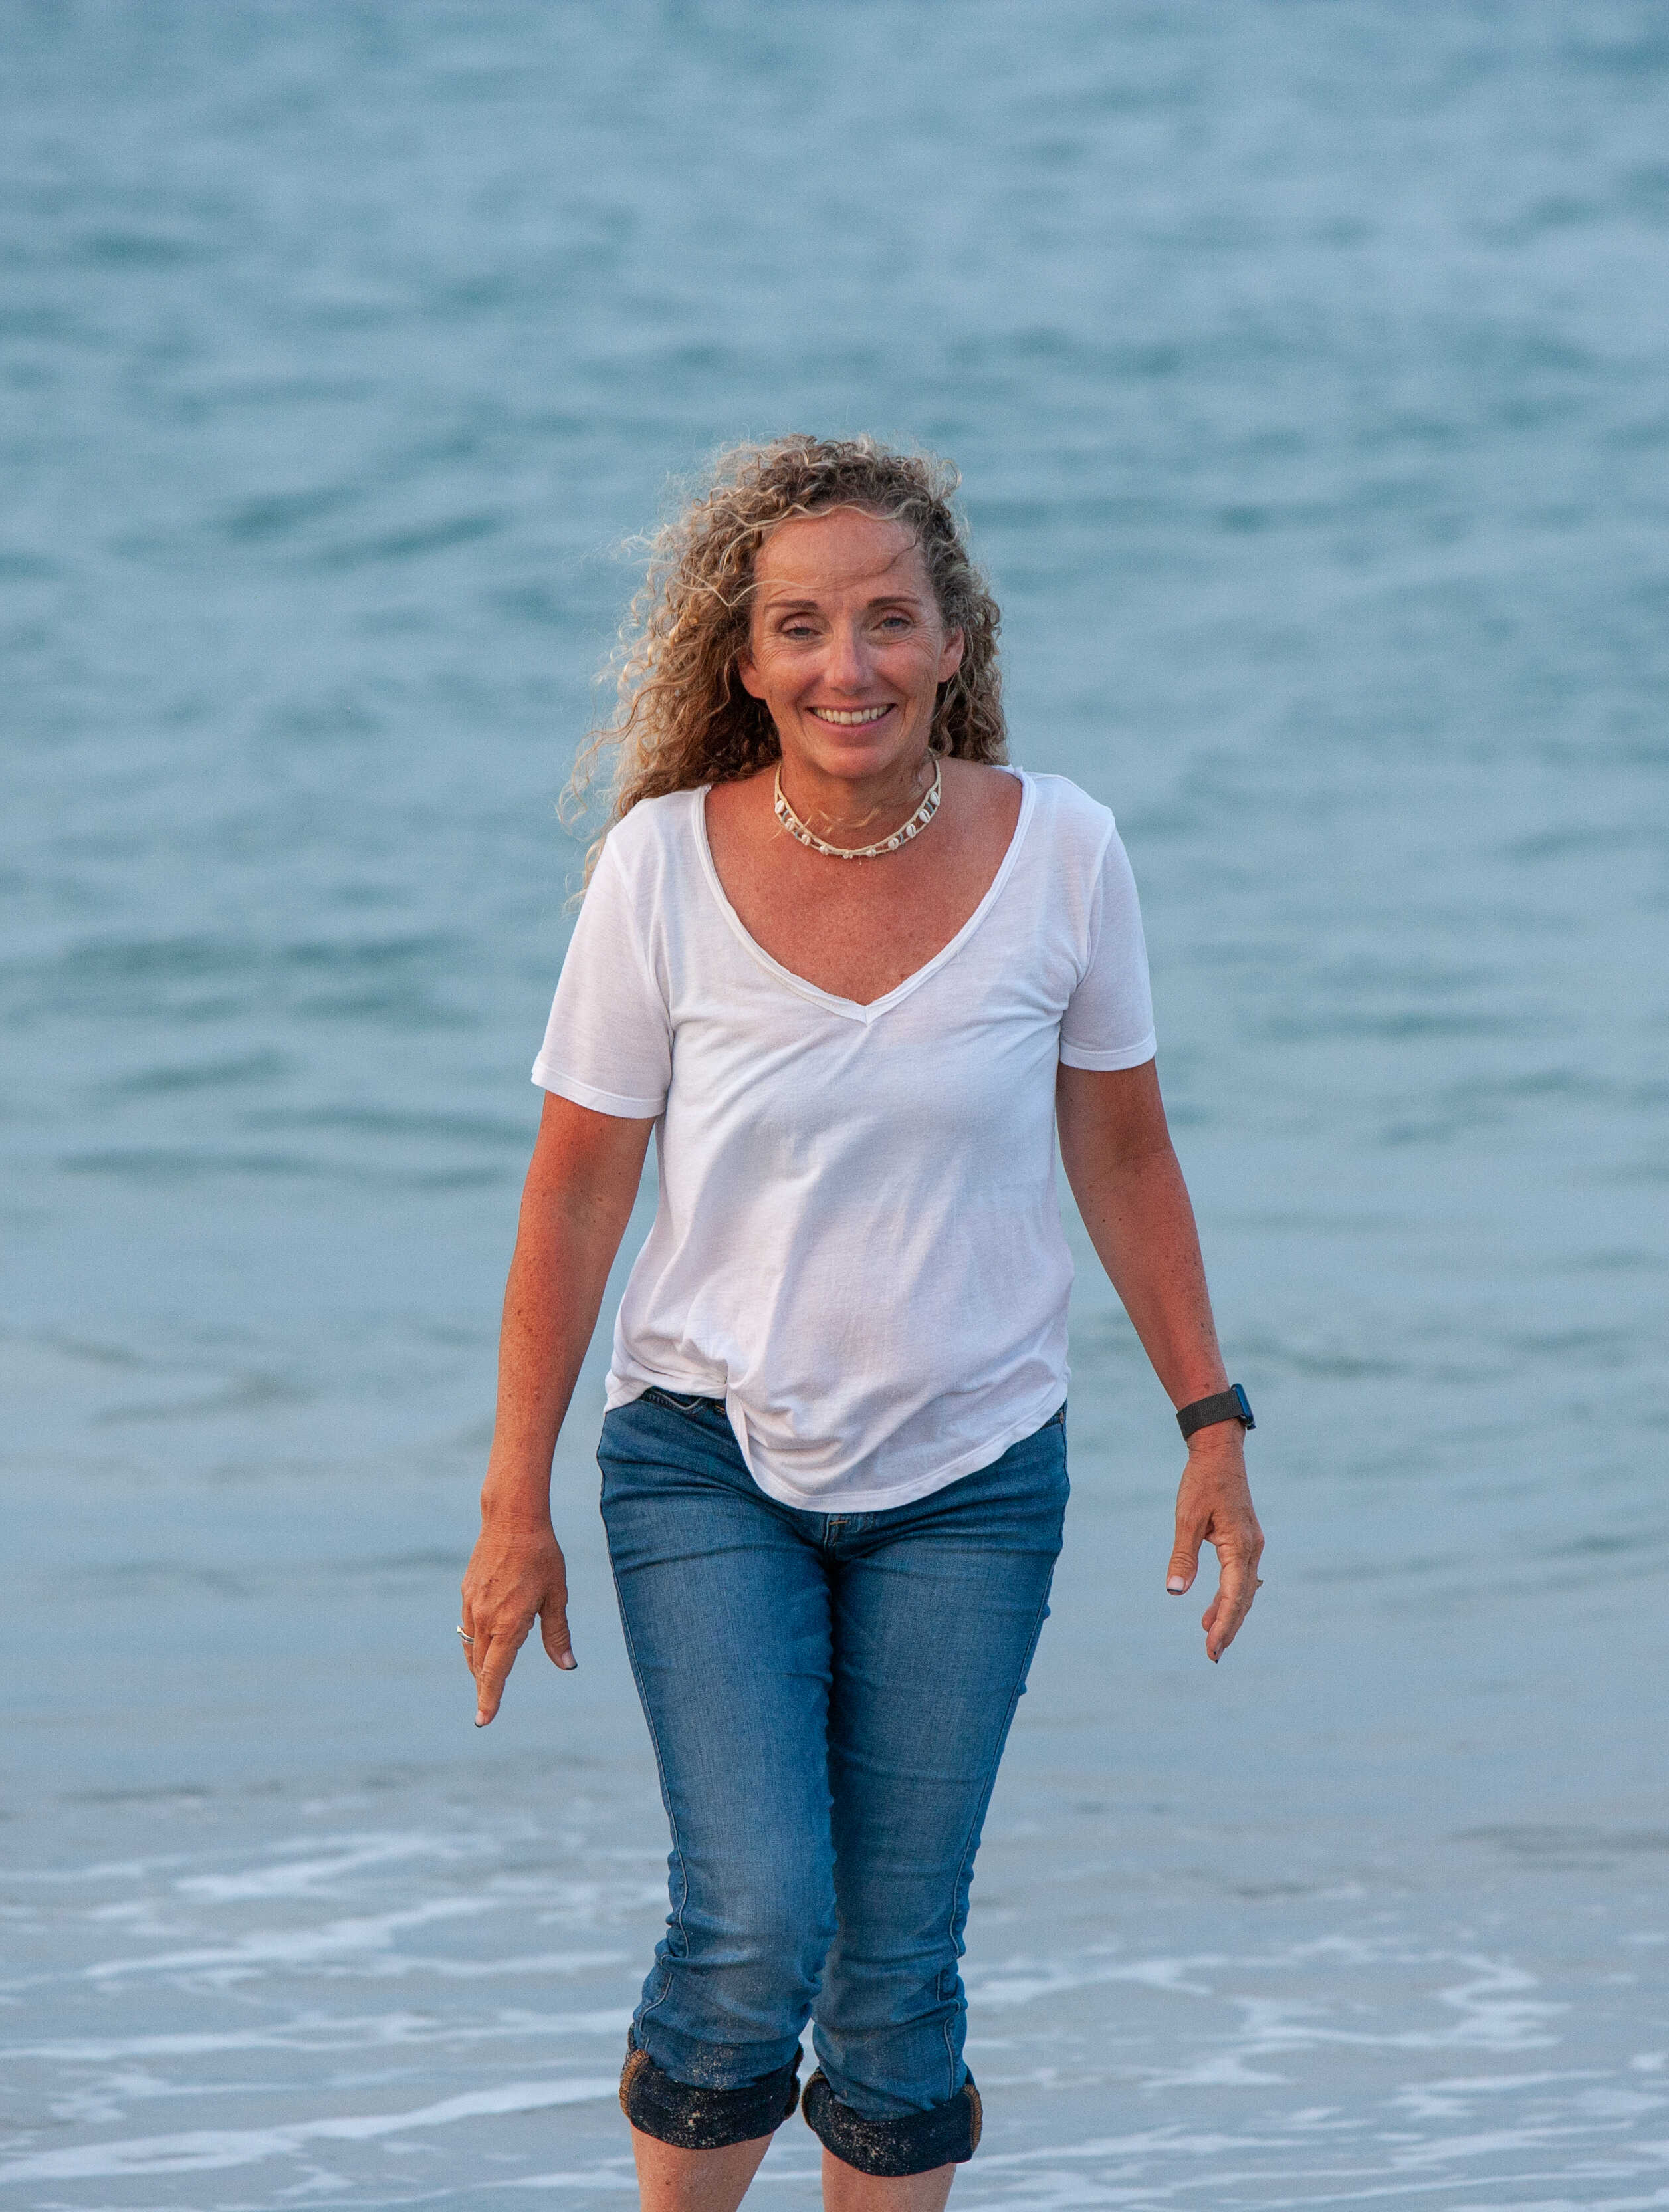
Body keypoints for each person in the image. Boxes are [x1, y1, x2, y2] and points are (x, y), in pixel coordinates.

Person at [457, 434, 1263, 2211]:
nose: (852, 665)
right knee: (757, 1918)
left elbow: (1124, 1153)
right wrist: (514, 1508)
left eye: (890, 620)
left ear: (955, 640)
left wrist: (1214, 1422)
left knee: (897, 1976)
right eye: (804, 626)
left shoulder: (1064, 854)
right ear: (743, 660)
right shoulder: (659, 871)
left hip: (975, 1478)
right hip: (706, 1461)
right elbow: (574, 1195)